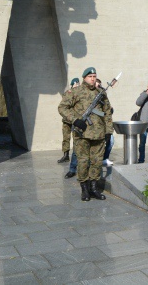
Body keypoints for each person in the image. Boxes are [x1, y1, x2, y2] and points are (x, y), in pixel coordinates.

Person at [58, 67, 112, 201]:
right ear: (84, 78)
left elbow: (107, 113)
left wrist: (108, 131)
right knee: (83, 161)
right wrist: (75, 120)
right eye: (90, 76)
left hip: (98, 133)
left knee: (96, 162)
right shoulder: (75, 92)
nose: (92, 79)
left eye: (94, 76)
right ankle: (85, 189)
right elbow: (62, 107)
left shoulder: (101, 93)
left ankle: (94, 188)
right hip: (82, 134)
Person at [58, 78, 80, 164]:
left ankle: (76, 156)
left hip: (76, 119)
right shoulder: (68, 93)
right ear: (73, 84)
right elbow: (63, 106)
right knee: (66, 138)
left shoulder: (80, 93)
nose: (77, 85)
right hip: (67, 119)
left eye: (78, 84)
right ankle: (66, 155)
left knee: (76, 138)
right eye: (76, 84)